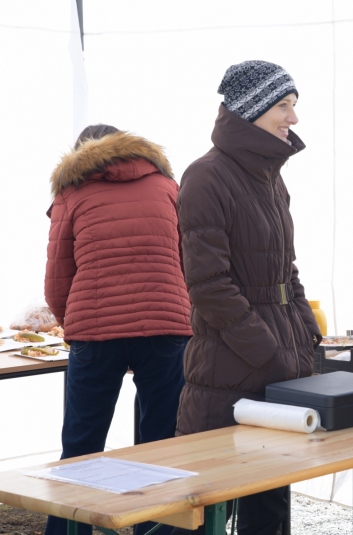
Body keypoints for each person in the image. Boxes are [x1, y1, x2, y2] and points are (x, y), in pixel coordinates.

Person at [172, 60, 321, 535]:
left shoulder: (271, 177)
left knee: (270, 508)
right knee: (207, 510)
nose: (293, 118)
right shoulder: (206, 177)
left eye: (294, 105)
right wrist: (269, 352)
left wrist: (308, 338)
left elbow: (287, 273)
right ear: (250, 109)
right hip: (227, 372)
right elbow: (210, 287)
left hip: (276, 370)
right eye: (283, 105)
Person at [44, 124, 192, 535]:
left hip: (95, 330)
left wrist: (69, 323)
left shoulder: (71, 194)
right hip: (166, 325)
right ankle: (154, 529)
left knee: (81, 446)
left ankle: (66, 532)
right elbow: (187, 260)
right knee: (162, 444)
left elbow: (58, 275)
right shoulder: (167, 186)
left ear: (80, 156)